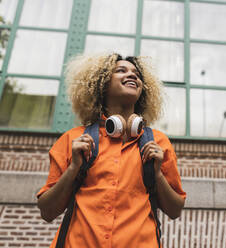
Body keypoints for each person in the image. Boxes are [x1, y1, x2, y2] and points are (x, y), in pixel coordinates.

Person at [36, 53, 186, 247]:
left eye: (137, 74)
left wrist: (157, 174)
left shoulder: (158, 142)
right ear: (102, 83)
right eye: (121, 71)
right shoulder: (73, 139)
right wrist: (74, 168)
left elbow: (175, 211)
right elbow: (47, 212)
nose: (132, 75)